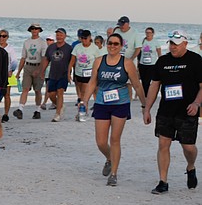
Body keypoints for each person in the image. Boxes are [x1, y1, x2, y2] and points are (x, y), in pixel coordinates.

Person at [142, 30, 202, 194]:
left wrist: (197, 103)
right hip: (166, 111)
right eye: (171, 44)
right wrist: (147, 109)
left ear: (185, 44)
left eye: (176, 44)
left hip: (187, 111)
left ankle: (191, 167)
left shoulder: (195, 60)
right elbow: (154, 85)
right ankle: (163, 182)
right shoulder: (162, 61)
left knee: (188, 147)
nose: (173, 47)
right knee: (163, 144)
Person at [82, 33, 146, 186]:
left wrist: (145, 105)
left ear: (121, 46)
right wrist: (84, 100)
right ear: (106, 44)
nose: (112, 46)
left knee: (115, 139)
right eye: (110, 43)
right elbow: (92, 82)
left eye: (116, 44)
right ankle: (109, 158)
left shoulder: (127, 63)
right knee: (101, 141)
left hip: (120, 103)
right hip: (102, 102)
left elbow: (137, 85)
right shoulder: (99, 61)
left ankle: (114, 173)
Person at [13, 23, 47, 119]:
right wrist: (18, 72)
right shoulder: (26, 42)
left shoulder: (42, 43)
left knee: (37, 90)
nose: (34, 30)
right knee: (25, 88)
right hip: (28, 66)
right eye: (33, 28)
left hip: (38, 66)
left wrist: (40, 70)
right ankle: (20, 109)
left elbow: (44, 58)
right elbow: (23, 57)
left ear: (39, 30)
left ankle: (37, 110)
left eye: (36, 29)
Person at [41, 28, 74, 122]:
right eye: (57, 35)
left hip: (64, 73)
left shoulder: (69, 48)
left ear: (65, 36)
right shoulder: (51, 47)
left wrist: (70, 74)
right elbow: (47, 59)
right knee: (51, 94)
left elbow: (72, 62)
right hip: (53, 73)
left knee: (60, 92)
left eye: (61, 35)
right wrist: (42, 71)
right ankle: (60, 105)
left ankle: (57, 114)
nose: (59, 37)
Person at [70, 29, 99, 119]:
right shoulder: (77, 47)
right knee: (81, 93)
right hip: (79, 73)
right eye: (82, 38)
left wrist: (97, 73)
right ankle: (83, 110)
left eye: (85, 38)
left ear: (90, 38)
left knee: (84, 93)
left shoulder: (94, 48)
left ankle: (82, 112)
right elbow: (72, 60)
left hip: (90, 73)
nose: (83, 40)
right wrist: (69, 72)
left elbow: (98, 61)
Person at [0, 29, 17, 122]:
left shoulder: (10, 49)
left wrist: (11, 70)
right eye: (0, 36)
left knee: (6, 94)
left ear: (7, 37)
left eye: (4, 36)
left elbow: (14, 61)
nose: (1, 38)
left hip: (7, 73)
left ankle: (6, 114)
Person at [138, 27, 162, 98]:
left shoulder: (155, 42)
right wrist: (137, 63)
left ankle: (147, 95)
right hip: (142, 64)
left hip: (152, 64)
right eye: (146, 32)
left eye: (149, 32)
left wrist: (160, 63)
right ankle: (145, 95)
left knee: (148, 81)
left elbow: (159, 53)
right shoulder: (142, 41)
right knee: (143, 81)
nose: (148, 34)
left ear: (153, 34)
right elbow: (139, 52)